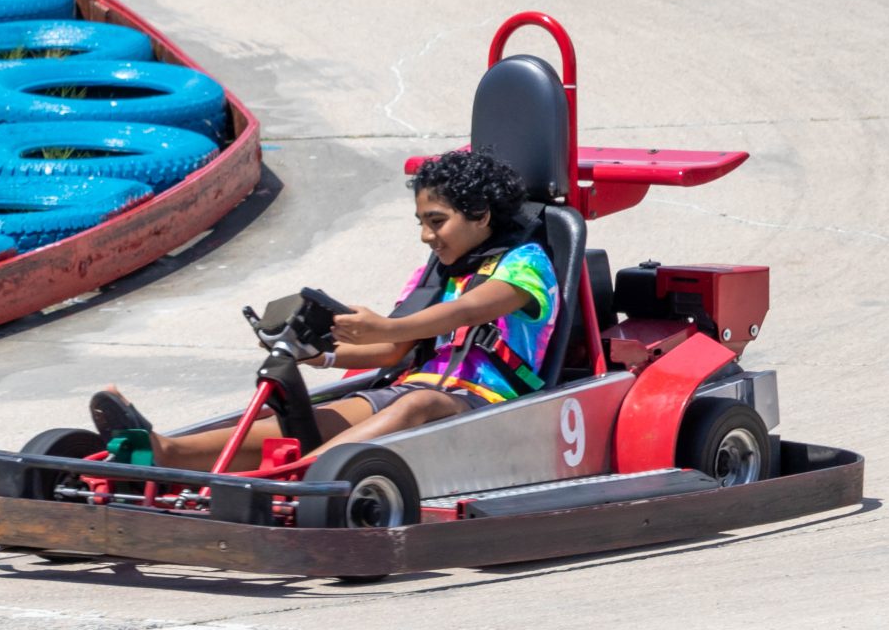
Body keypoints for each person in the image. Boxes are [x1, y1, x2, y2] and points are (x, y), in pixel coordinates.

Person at [88, 147, 559, 472]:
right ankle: (163, 452)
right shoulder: (436, 272)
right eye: (421, 223)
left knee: (419, 402)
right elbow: (392, 352)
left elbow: (469, 311)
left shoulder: (526, 266)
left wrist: (386, 323)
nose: (426, 237)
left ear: (481, 214)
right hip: (411, 389)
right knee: (321, 416)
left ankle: (300, 478)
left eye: (437, 222)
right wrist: (319, 354)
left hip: (488, 408)